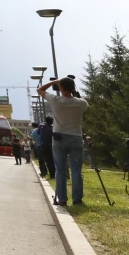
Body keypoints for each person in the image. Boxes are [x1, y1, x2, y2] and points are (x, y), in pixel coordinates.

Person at [38, 76, 89, 206]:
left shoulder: (55, 100)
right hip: (76, 138)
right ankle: (77, 200)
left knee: (60, 170)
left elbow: (40, 90)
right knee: (76, 170)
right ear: (73, 88)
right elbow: (83, 104)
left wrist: (55, 81)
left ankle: (62, 199)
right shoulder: (82, 103)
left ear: (61, 88)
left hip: (59, 138)